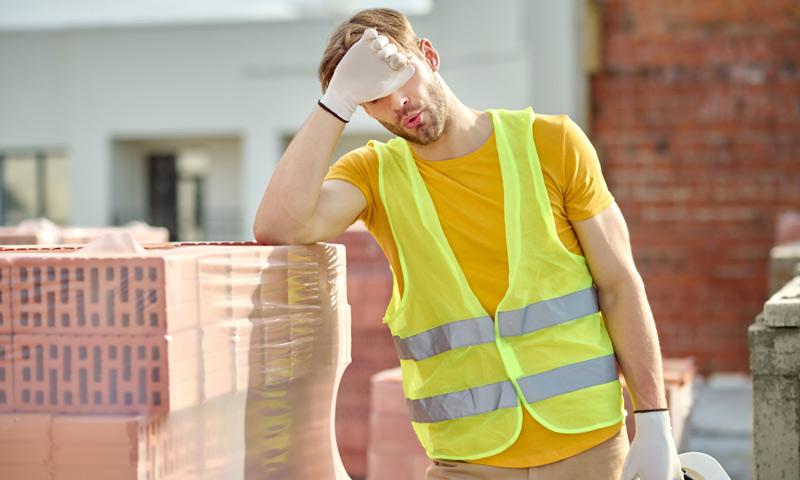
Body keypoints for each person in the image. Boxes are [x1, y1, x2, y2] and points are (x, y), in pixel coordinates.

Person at [253, 7, 682, 480]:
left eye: (400, 75)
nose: (397, 100)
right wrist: (336, 100)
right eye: (372, 96)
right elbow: (279, 227)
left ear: (430, 56)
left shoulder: (553, 143)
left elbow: (621, 285)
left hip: (590, 449)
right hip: (468, 463)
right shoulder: (373, 176)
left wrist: (655, 421)